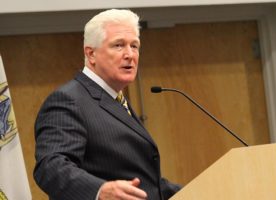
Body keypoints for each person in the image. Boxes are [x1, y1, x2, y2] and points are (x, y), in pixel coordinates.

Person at [34, 9, 181, 200]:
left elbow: (144, 180)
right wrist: (99, 191)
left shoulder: (117, 99)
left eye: (134, 46)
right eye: (118, 45)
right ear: (91, 54)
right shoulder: (68, 100)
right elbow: (51, 167)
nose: (130, 54)